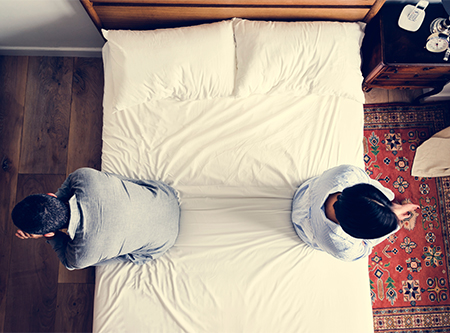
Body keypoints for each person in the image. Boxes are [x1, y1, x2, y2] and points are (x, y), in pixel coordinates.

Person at [12, 168, 180, 270]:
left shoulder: (78, 258)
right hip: (166, 196)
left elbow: (70, 262)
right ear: (49, 195)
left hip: (164, 241)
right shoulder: (82, 176)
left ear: (47, 233)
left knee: (127, 254)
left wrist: (51, 236)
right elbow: (131, 182)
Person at [291, 164, 419, 262]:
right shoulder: (342, 245)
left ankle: (389, 210)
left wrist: (387, 210)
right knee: (391, 209)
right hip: (306, 229)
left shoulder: (347, 174)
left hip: (306, 194)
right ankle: (392, 213)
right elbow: (365, 249)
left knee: (388, 198)